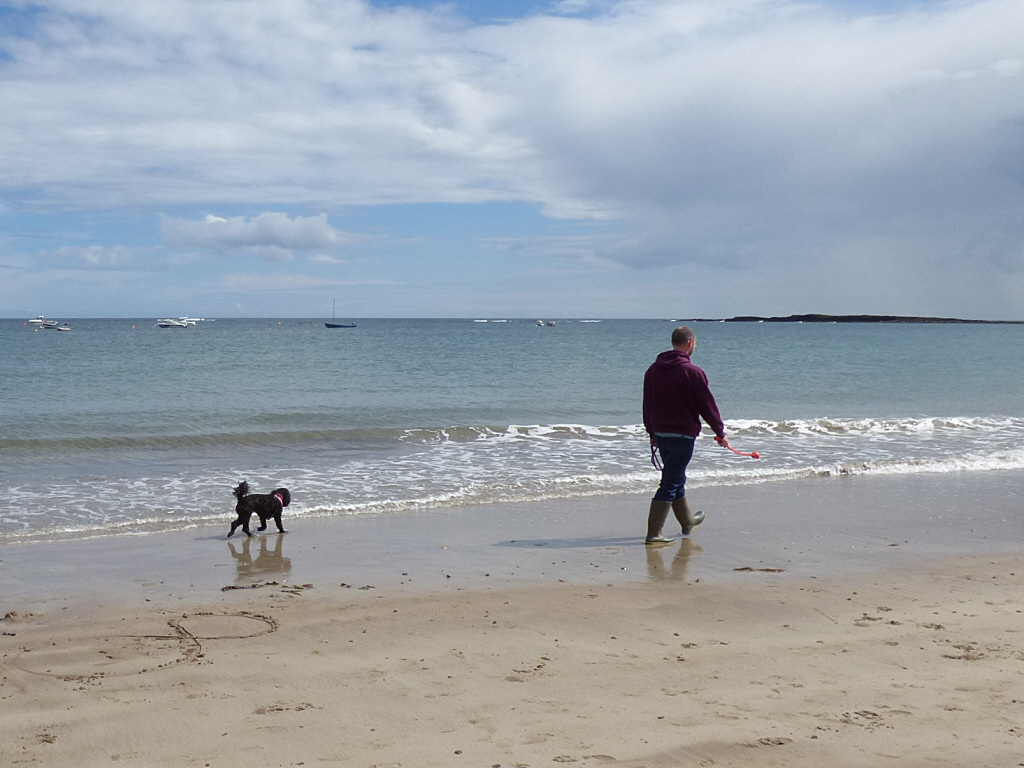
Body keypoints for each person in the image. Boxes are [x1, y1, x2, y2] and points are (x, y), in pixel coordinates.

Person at [642, 326, 729, 544]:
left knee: (675, 476)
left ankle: (688, 521)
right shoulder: (693, 372)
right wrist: (720, 431)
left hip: (660, 433)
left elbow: (647, 404)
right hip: (682, 435)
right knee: (670, 482)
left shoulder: (653, 370)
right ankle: (654, 534)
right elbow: (707, 406)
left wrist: (651, 431)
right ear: (690, 343)